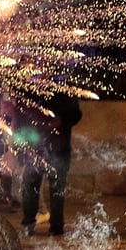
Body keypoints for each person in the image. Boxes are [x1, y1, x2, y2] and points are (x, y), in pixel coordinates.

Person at [10, 90, 82, 237]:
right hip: (35, 148)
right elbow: (19, 120)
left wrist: (61, 121)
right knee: (31, 187)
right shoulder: (28, 90)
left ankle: (56, 225)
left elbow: (76, 114)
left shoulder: (62, 90)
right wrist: (21, 148)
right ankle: (29, 223)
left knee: (56, 188)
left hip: (57, 148)